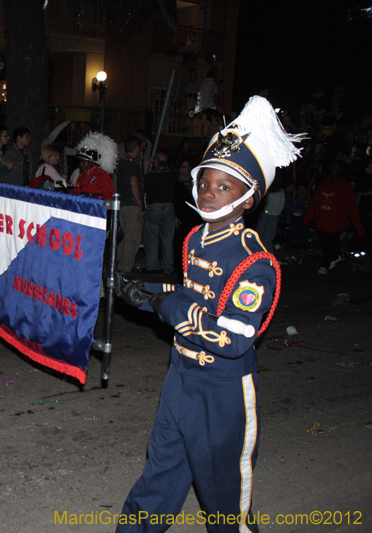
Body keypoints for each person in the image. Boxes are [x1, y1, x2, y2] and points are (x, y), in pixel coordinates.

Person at [114, 96, 302, 533]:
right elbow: (187, 293)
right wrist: (135, 290)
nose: (208, 193)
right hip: (180, 378)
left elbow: (233, 338)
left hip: (222, 393)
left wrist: (167, 305)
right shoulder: (195, 239)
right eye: (205, 183)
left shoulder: (254, 262)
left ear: (249, 198)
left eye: (224, 187)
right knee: (159, 476)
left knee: (223, 505)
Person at [303, 160, 366, 274]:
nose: (332, 170)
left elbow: (351, 208)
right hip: (322, 221)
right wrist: (308, 218)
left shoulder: (345, 187)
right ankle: (335, 256)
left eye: (335, 168)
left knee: (330, 244)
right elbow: (316, 202)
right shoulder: (324, 183)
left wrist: (359, 228)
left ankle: (324, 265)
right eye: (332, 167)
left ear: (340, 170)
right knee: (324, 242)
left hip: (336, 223)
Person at [141, 152, 176, 274]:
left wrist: (147, 168)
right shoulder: (172, 175)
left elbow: (145, 187)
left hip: (154, 207)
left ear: (155, 163)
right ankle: (168, 267)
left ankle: (152, 266)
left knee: (151, 239)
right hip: (169, 206)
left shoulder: (150, 176)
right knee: (167, 239)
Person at [115, 136, 145, 273]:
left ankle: (114, 259)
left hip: (123, 204)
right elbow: (134, 183)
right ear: (136, 148)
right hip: (131, 206)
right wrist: (139, 202)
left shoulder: (121, 162)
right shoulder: (132, 164)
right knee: (133, 238)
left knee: (127, 236)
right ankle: (124, 267)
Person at [71, 131, 117, 200]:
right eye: (80, 161)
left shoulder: (102, 175)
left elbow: (109, 198)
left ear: (92, 162)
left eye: (84, 162)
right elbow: (76, 194)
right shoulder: (82, 175)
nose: (81, 164)